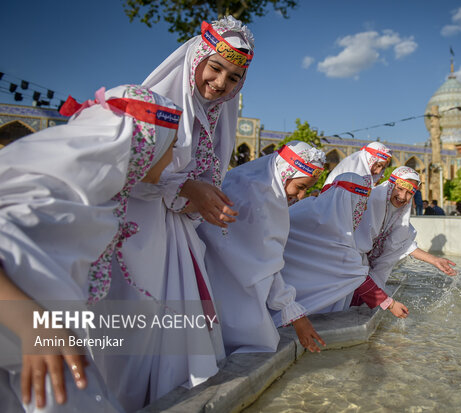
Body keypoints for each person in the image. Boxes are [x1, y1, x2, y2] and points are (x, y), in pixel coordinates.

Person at [101, 16, 255, 409]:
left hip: (177, 239)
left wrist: (204, 201)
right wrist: (187, 188)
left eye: (234, 78)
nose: (221, 83)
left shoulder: (216, 116)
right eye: (216, 68)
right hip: (136, 237)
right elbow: (124, 170)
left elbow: (202, 175)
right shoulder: (154, 105)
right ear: (196, 59)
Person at [0, 85, 179, 412]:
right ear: (145, 143)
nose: (173, 159)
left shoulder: (88, 200)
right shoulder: (50, 190)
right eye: (172, 145)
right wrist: (30, 321)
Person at [199, 141, 327, 354]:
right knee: (256, 344)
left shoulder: (257, 186)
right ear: (286, 173)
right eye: (301, 187)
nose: (301, 195)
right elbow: (265, 262)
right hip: (227, 279)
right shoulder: (258, 197)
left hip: (226, 275)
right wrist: (294, 313)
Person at [352, 167, 457, 317]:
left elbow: (402, 242)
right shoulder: (370, 203)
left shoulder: (399, 212)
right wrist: (388, 303)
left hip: (361, 274)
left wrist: (435, 260)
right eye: (400, 189)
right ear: (390, 185)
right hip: (349, 270)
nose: (402, 196)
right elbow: (349, 255)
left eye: (409, 193)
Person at [271, 173, 372, 325]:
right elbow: (352, 270)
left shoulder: (309, 206)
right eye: (361, 203)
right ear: (349, 200)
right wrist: (388, 303)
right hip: (280, 290)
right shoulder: (334, 228)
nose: (364, 208)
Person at [324, 141, 392, 186]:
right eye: (378, 165)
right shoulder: (352, 169)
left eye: (382, 168)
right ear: (370, 159)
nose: (378, 171)